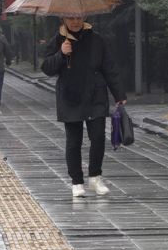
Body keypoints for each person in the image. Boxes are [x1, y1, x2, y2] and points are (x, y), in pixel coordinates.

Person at [41, 16, 127, 197]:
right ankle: (77, 182)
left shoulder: (96, 39)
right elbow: (47, 68)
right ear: (64, 19)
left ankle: (95, 176)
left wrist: (119, 94)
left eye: (78, 17)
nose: (75, 22)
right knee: (74, 141)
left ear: (84, 17)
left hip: (95, 95)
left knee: (98, 137)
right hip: (70, 96)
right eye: (71, 18)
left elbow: (109, 67)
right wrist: (61, 54)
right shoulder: (58, 40)